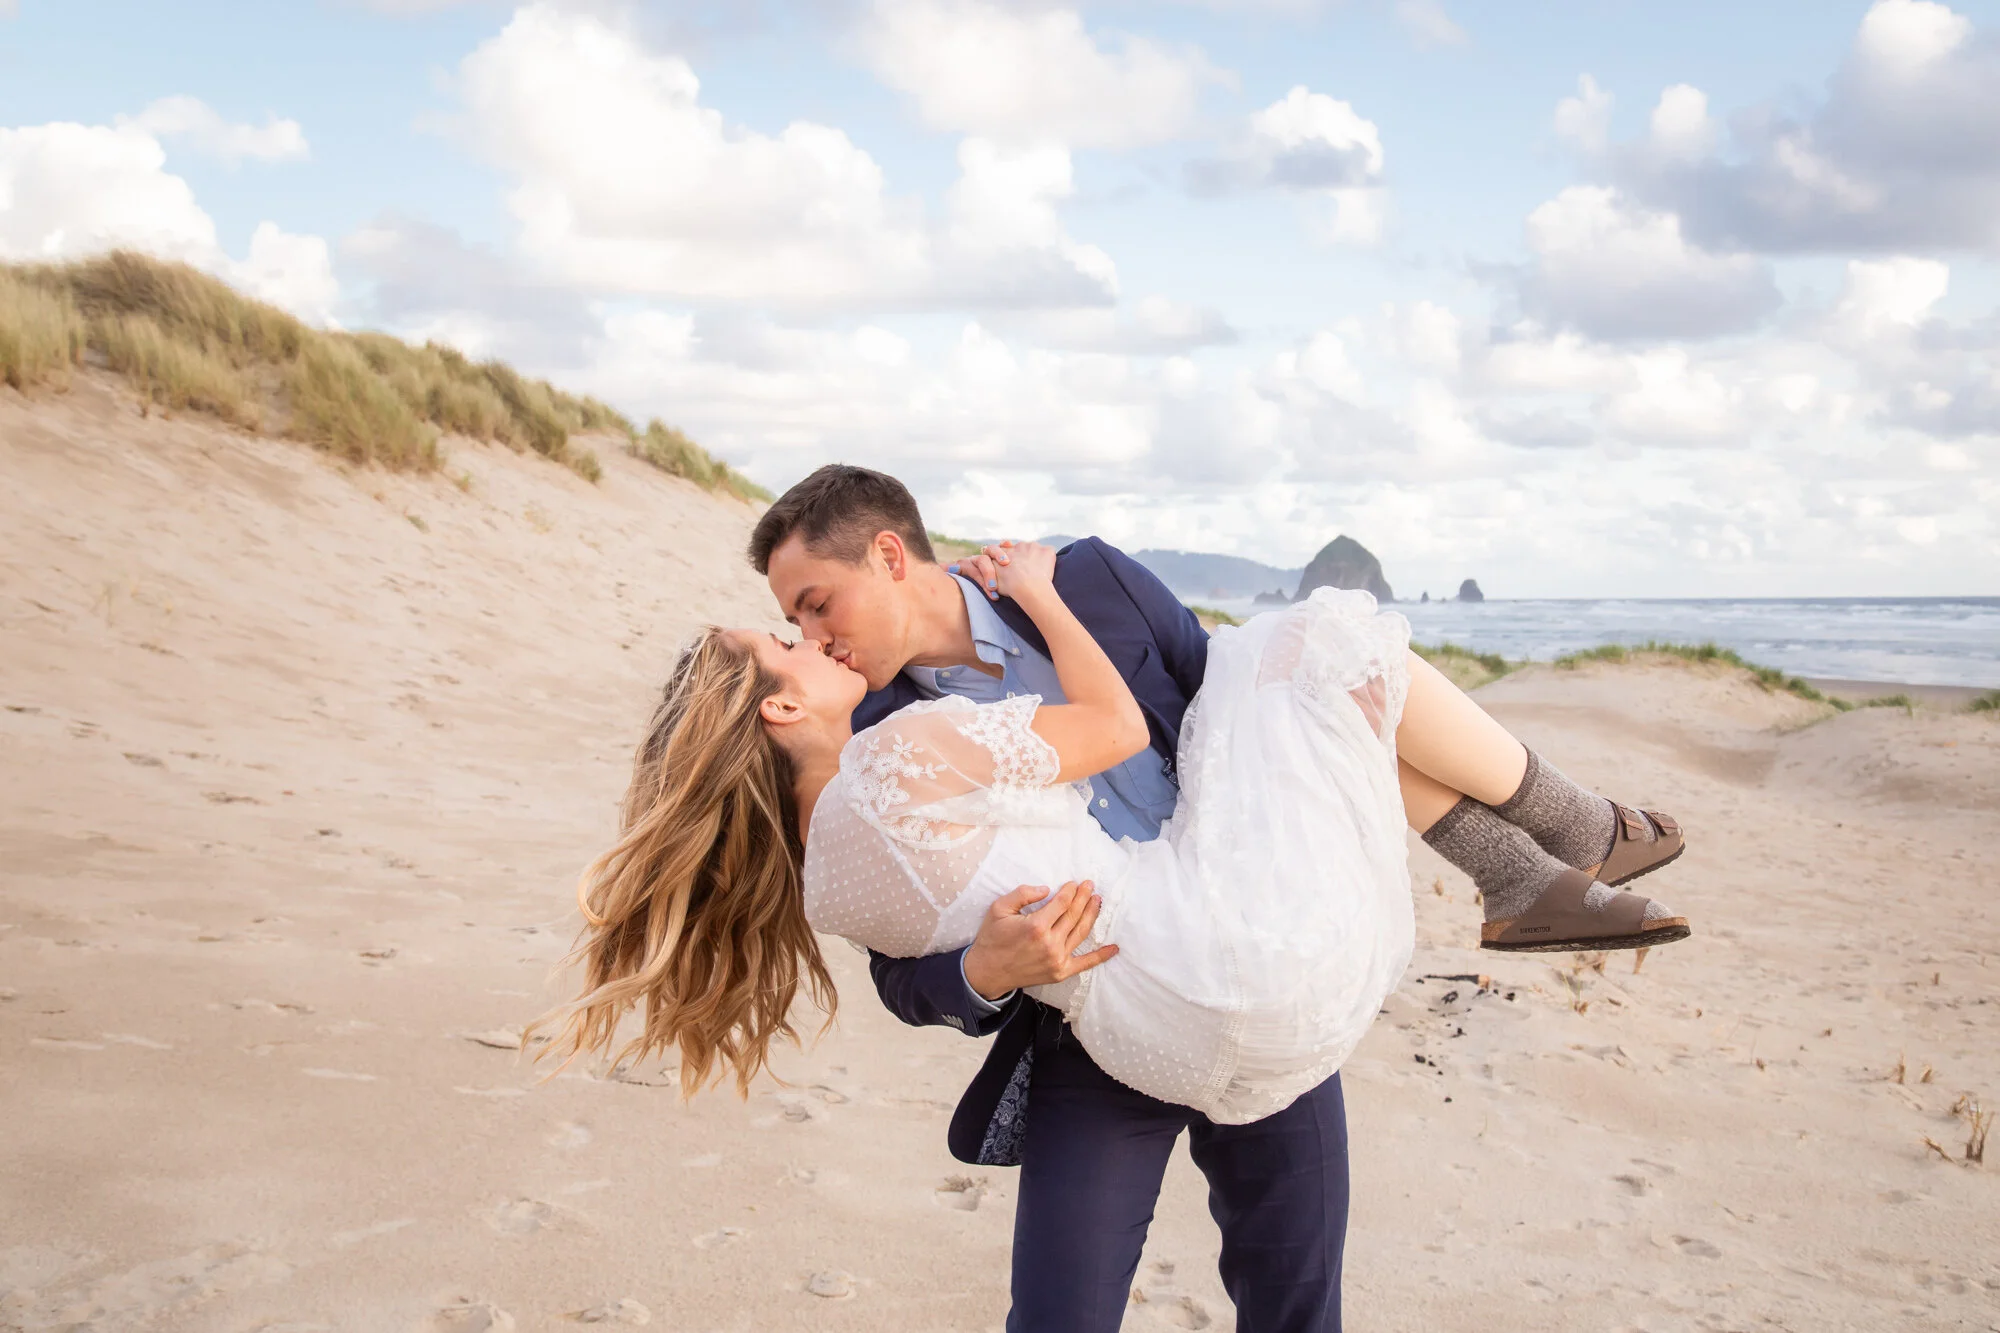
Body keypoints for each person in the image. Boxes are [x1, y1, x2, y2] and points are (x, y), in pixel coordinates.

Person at [534, 466, 1689, 1333]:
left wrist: (1051, 605)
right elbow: (899, 975)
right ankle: (1551, 851)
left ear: (888, 554)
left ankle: (1535, 862)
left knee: (1295, 1297)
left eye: (816, 603)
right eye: (792, 625)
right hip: (1089, 1022)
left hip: (1250, 935)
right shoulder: (871, 738)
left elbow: (1229, 707)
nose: (812, 635)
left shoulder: (1087, 578)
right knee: (1058, 1313)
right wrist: (983, 969)